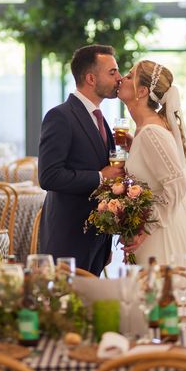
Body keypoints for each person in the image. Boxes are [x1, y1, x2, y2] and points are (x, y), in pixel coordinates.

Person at [38, 44, 125, 275]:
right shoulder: (60, 116)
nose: (120, 77)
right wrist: (100, 177)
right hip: (69, 237)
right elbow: (48, 176)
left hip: (96, 238)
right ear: (91, 78)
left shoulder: (101, 119)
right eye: (112, 72)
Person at [117, 60, 186, 265]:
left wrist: (145, 229)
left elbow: (177, 185)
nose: (122, 78)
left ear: (142, 91)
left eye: (129, 76)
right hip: (157, 229)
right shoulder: (145, 130)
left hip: (161, 235)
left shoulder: (151, 133)